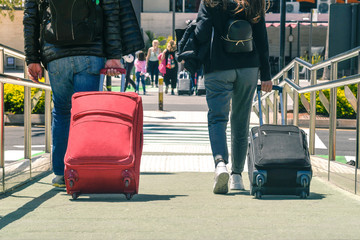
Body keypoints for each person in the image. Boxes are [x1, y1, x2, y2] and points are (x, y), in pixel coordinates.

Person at [23, 0, 143, 188]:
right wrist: (113, 55)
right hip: (91, 52)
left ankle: (62, 173)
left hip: (55, 54)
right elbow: (110, 13)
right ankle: (83, 170)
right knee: (86, 116)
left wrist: (32, 58)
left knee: (62, 112)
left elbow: (31, 17)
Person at [194, 0, 273, 194]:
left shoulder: (210, 2)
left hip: (218, 66)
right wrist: (266, 75)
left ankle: (220, 164)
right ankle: (237, 176)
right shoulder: (253, 2)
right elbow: (261, 38)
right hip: (249, 66)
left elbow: (201, 33)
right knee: (241, 119)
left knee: (217, 118)